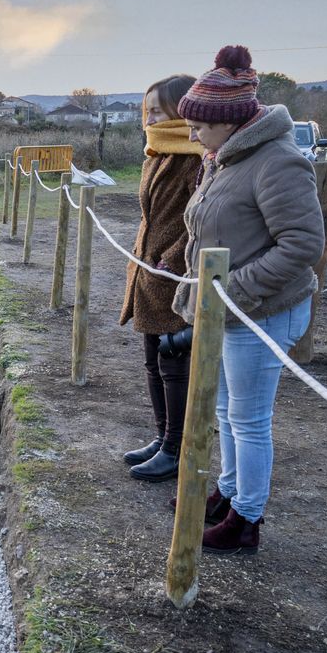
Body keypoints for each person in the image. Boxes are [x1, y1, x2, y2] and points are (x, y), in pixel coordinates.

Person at [173, 45, 325, 555]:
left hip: (262, 310)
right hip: (227, 310)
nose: (191, 134)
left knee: (250, 417)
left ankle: (246, 519)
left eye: (199, 125)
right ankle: (231, 491)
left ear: (231, 120)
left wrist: (228, 290)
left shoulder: (277, 161)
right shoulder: (224, 158)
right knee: (224, 406)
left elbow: (303, 246)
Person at [120, 74, 204, 483]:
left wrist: (171, 260)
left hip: (174, 272)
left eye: (157, 109)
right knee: (153, 358)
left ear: (179, 110)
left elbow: (199, 220)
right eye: (146, 109)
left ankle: (175, 448)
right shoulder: (156, 150)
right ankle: (161, 437)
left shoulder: (196, 156)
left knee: (174, 360)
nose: (149, 117)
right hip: (149, 270)